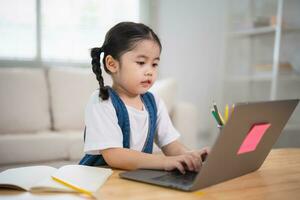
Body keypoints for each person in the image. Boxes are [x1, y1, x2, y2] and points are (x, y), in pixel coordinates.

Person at [79, 21, 208, 174]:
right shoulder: (102, 101)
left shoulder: (154, 103)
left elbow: (171, 144)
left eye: (154, 64)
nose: (150, 71)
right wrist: (165, 161)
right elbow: (115, 156)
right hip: (101, 179)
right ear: (112, 64)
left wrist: (191, 156)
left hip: (135, 179)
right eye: (141, 62)